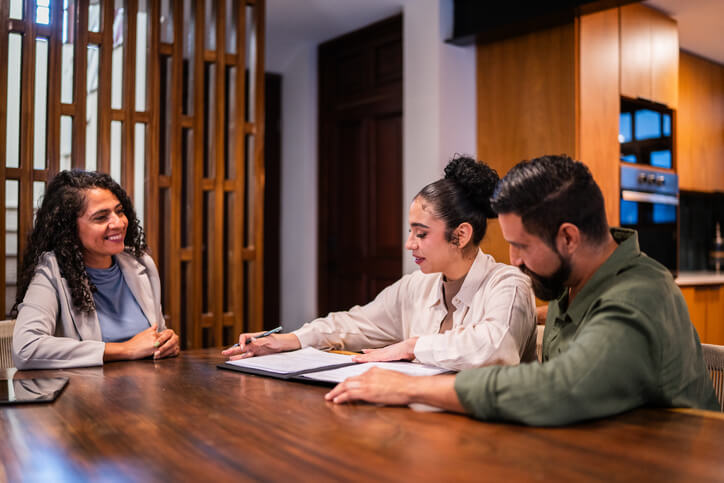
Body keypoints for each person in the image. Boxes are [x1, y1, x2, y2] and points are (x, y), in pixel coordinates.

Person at [324, 155, 719, 425]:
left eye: (523, 245)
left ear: (568, 238)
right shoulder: (578, 285)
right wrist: (538, 314)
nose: (512, 260)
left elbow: (559, 388)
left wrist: (411, 387)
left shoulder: (640, 294)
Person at [223, 156, 537, 371]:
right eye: (410, 232)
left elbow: (497, 347)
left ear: (460, 235)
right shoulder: (418, 285)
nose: (409, 244)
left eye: (421, 234)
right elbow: (354, 323)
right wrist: (287, 340)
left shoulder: (508, 284)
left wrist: (412, 346)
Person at [12, 170, 180, 370]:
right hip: (85, 396)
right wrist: (125, 349)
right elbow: (26, 349)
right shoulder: (52, 272)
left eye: (119, 211)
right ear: (70, 228)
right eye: (101, 217)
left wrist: (166, 341)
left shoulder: (142, 263)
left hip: (147, 392)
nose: (118, 223)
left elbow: (153, 335)